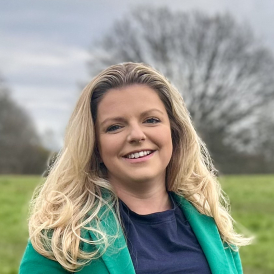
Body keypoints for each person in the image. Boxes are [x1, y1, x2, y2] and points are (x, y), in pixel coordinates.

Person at [20, 62, 251, 274]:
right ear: (95, 146)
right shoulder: (61, 239)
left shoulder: (213, 224)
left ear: (174, 131)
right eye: (115, 127)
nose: (137, 135)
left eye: (151, 120)